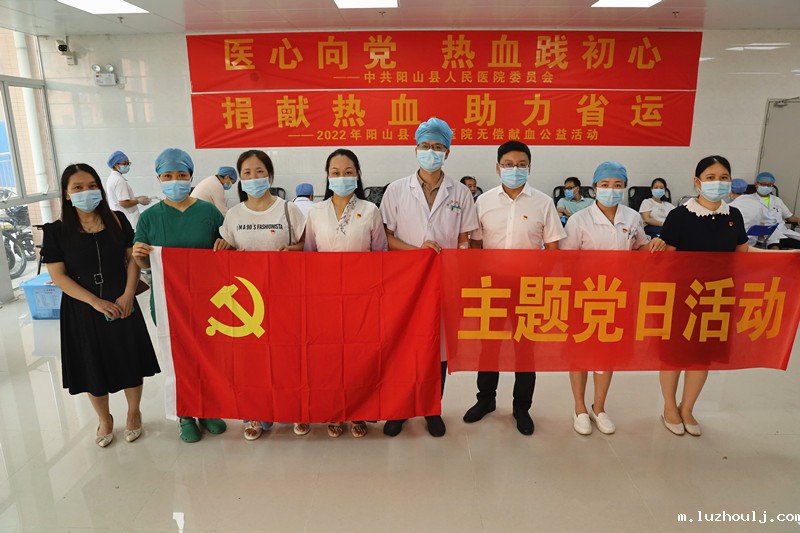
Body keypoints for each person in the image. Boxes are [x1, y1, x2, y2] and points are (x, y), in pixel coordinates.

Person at [41, 163, 160, 447]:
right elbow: (58, 276)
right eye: (78, 187)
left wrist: (129, 294)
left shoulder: (117, 221)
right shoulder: (56, 231)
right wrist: (94, 301)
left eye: (92, 186)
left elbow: (132, 259)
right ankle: (104, 418)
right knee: (90, 364)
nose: (86, 192)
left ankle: (133, 412)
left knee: (130, 358)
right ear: (67, 194)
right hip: (83, 308)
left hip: (122, 301)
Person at [380, 117, 479, 437]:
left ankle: (431, 408)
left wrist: (458, 266)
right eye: (425, 146)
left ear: (447, 153)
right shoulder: (396, 190)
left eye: (437, 147)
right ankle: (400, 408)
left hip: (443, 281)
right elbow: (386, 238)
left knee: (439, 348)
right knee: (403, 345)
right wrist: (417, 252)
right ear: (415, 150)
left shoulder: (460, 192)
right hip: (405, 282)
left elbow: (466, 239)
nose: (431, 152)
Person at [463, 141, 565, 436]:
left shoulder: (543, 203)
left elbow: (553, 248)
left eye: (521, 165)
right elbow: (475, 244)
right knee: (489, 346)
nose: (515, 169)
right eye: (508, 164)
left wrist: (543, 283)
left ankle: (522, 407)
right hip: (492, 286)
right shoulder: (483, 202)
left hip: (528, 287)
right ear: (498, 168)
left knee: (525, 348)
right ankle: (486, 400)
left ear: (530, 168)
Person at [132, 148, 228, 443]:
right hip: (168, 302)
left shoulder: (208, 213)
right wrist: (139, 255)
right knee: (180, 358)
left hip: (207, 300)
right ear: (159, 179)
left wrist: (225, 246)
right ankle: (186, 414)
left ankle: (207, 408)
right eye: (168, 176)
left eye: (181, 175)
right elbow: (144, 263)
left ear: (191, 177)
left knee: (208, 356)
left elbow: (224, 251)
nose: (175, 181)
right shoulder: (149, 218)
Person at [650, 155, 749, 437]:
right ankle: (669, 407)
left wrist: (787, 257)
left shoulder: (734, 216)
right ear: (697, 182)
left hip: (717, 296)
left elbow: (743, 255)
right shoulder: (679, 216)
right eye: (710, 177)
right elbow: (668, 260)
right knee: (675, 355)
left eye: (723, 177)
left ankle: (688, 408)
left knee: (702, 357)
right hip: (683, 296)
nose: (718, 183)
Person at [214, 149, 306, 439]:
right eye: (247, 173)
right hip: (248, 301)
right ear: (240, 179)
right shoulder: (234, 215)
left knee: (287, 357)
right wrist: (225, 250)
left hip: (285, 297)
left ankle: (294, 410)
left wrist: (292, 251)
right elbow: (225, 254)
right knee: (251, 361)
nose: (253, 178)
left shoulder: (288, 210)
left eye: (259, 172)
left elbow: (306, 247)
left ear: (270, 176)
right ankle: (253, 414)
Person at [560, 161, 655, 436]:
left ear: (624, 188)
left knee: (607, 353)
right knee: (580, 352)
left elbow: (639, 248)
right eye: (605, 185)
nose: (611, 189)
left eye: (617, 185)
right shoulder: (579, 220)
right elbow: (566, 261)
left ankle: (599, 408)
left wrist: (654, 246)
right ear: (594, 188)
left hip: (618, 295)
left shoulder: (632, 217)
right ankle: (579, 407)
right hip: (585, 295)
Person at [304, 148, 388, 438]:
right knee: (330, 358)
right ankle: (334, 411)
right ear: (328, 177)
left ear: (358, 175)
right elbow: (309, 255)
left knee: (359, 357)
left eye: (348, 172)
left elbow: (380, 255)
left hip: (362, 298)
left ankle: (358, 411)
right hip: (326, 298)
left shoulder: (371, 210)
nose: (342, 177)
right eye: (336, 172)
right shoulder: (316, 212)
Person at [730, 171, 800, 249]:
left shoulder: (777, 200)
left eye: (769, 185)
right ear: (756, 184)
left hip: (782, 232)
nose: (766, 187)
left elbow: (789, 217)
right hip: (763, 235)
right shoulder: (748, 200)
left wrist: (798, 220)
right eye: (763, 184)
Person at [105, 150, 150, 228]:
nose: (127, 166)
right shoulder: (119, 180)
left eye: (128, 163)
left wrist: (136, 198)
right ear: (115, 165)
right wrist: (138, 201)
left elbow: (120, 198)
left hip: (120, 219)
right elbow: (123, 203)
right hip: (128, 220)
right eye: (124, 164)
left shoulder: (112, 178)